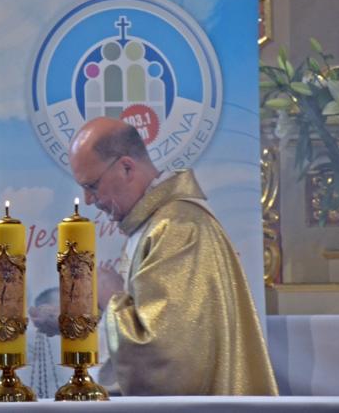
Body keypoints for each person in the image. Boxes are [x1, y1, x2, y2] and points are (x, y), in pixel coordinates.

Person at [32, 116, 278, 395]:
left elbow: (166, 359)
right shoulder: (156, 224)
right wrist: (79, 320)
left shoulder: (178, 229)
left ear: (126, 167)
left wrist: (112, 297)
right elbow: (153, 323)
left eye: (92, 186)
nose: (89, 199)